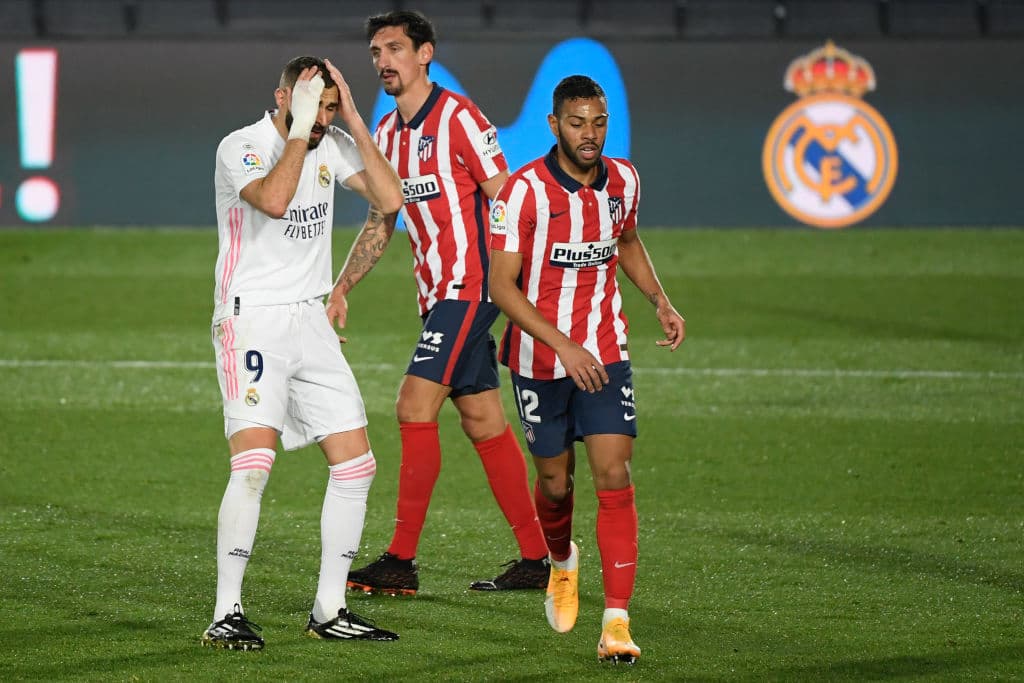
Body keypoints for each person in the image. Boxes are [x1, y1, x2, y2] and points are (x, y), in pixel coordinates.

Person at [328, 10, 550, 595]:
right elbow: (383, 217)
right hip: (437, 296)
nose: (383, 61)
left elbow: (508, 200)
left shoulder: (459, 118)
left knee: (412, 405)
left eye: (395, 48)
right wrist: (343, 284)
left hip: (472, 288)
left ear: (425, 53)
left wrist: (524, 284)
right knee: (482, 419)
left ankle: (400, 560)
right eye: (375, 51)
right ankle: (537, 558)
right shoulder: (391, 137)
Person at [202, 55, 404, 650]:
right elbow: (274, 200)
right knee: (255, 465)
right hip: (252, 317)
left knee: (356, 463)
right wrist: (300, 127)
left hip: (309, 319)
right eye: (314, 104)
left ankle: (330, 607)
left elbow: (390, 200)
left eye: (329, 108)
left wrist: (353, 117)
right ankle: (226, 611)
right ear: (282, 96)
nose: (323, 119)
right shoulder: (241, 144)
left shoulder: (336, 140)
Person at [487, 75, 686, 664]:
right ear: (554, 126)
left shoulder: (623, 180)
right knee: (554, 481)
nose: (590, 134)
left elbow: (626, 242)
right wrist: (563, 346)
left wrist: (660, 299)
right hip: (539, 360)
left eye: (598, 123)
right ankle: (561, 562)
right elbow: (502, 287)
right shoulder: (521, 194)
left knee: (614, 471)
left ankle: (617, 623)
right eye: (578, 123)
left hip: (605, 353)